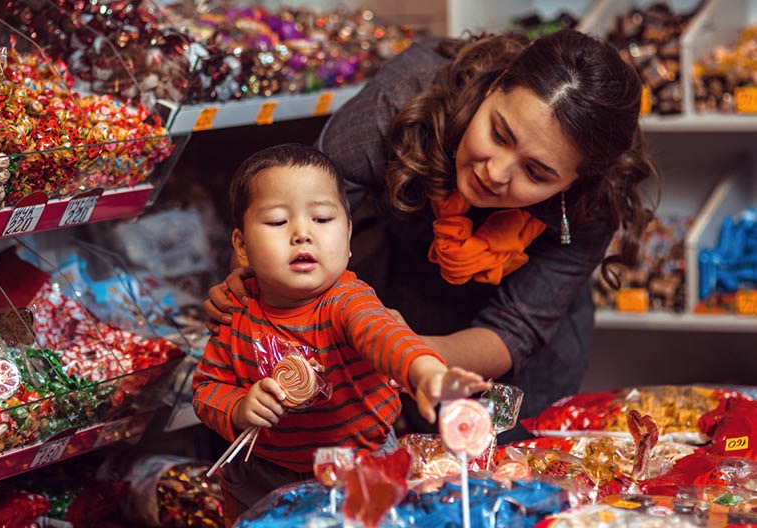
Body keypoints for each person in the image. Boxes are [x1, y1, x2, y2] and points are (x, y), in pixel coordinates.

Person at [204, 29, 659, 439]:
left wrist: (407, 356)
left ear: (573, 183)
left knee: (507, 455)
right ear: (494, 87)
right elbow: (288, 202)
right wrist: (253, 294)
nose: (495, 173)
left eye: (536, 172)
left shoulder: (592, 203)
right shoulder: (396, 109)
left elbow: (516, 328)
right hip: (410, 291)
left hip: (510, 353)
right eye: (499, 134)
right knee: (421, 453)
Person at [192, 143, 490, 525]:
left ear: (348, 236)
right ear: (242, 247)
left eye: (321, 219)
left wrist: (425, 371)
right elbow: (205, 388)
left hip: (361, 465)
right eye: (278, 222)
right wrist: (237, 408)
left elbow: (384, 336)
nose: (302, 233)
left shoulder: (347, 301)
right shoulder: (236, 312)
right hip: (262, 473)